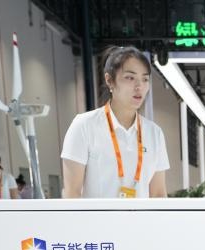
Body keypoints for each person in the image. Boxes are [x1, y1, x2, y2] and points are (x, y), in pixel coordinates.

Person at [61, 46, 169, 198]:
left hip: (141, 215)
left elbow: (158, 194)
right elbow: (72, 193)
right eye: (130, 78)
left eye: (145, 79)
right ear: (109, 80)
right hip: (98, 215)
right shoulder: (84, 125)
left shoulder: (154, 133)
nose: (139, 86)